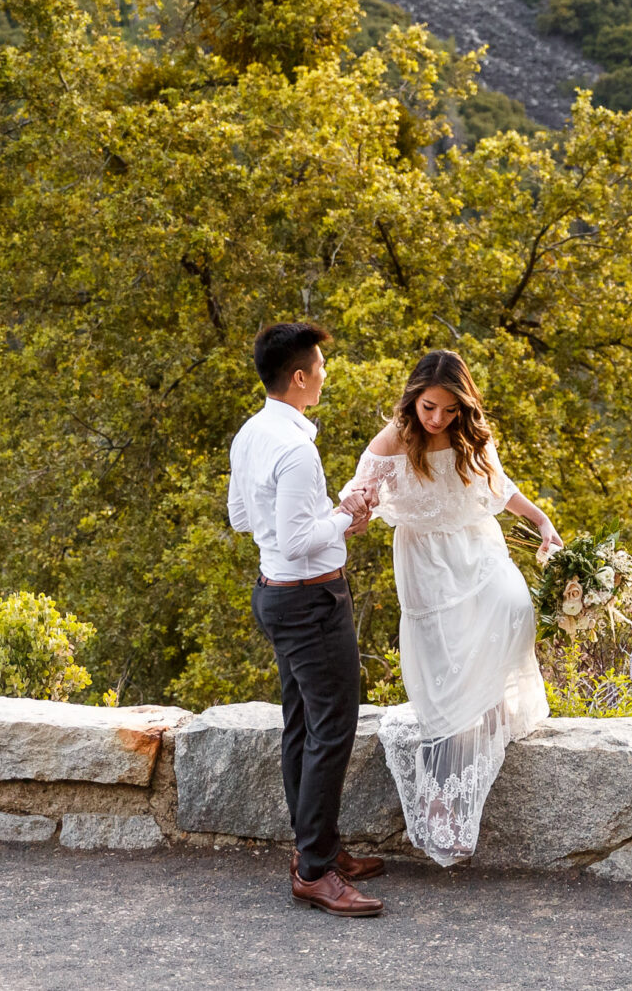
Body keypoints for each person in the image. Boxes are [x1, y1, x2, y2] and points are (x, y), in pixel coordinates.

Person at [338, 348, 562, 865]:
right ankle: (443, 805)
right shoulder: (394, 439)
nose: (437, 418)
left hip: (478, 550)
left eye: (448, 410)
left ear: (463, 408)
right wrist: (358, 511)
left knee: (515, 607)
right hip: (426, 564)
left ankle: (487, 709)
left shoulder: (470, 438)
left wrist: (543, 521)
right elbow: (359, 493)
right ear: (413, 399)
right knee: (445, 677)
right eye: (429, 408)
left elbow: (501, 490)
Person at [227, 321, 386, 918]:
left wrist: (325, 514)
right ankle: (314, 871)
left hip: (277, 595)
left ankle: (316, 847)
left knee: (303, 722)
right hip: (310, 601)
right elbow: (297, 542)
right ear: (299, 378)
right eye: (320, 366)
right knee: (332, 728)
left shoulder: (250, 435)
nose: (325, 373)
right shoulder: (295, 448)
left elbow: (244, 517)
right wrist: (346, 517)